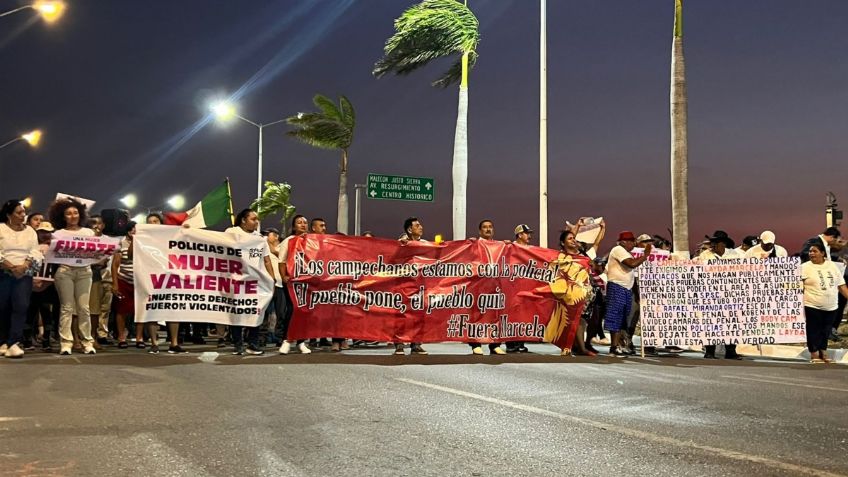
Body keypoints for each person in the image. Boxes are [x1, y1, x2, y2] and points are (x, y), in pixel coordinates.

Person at [225, 208, 276, 356]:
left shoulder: (260, 239)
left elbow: (266, 261)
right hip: (236, 281)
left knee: (255, 312)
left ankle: (252, 344)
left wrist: (271, 279)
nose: (256, 222)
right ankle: (238, 344)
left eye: (257, 219)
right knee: (237, 312)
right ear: (243, 220)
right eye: (253, 219)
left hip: (255, 283)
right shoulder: (232, 232)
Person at [49, 198, 97, 356]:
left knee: (84, 308)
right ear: (62, 217)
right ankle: (66, 343)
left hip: (84, 271)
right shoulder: (58, 234)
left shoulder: (88, 233)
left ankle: (87, 342)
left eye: (75, 212)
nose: (72, 216)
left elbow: (96, 253)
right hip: (65, 271)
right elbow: (53, 254)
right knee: (66, 308)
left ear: (81, 214)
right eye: (68, 213)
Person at [0, 199, 42, 358]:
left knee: (21, 305)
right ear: (8, 214)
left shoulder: (30, 231)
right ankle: (3, 341)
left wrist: (25, 265)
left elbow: (35, 251)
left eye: (24, 212)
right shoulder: (1, 228)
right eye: (19, 212)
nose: (23, 215)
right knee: (3, 307)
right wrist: (10, 266)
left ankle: (14, 342)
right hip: (3, 272)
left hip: (24, 273)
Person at [545, 229, 594, 357]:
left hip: (584, 294)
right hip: (567, 294)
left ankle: (577, 346)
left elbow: (593, 266)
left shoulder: (583, 256)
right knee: (570, 319)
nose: (573, 241)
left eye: (574, 238)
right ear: (562, 243)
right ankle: (575, 347)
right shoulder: (559, 257)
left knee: (581, 320)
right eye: (570, 239)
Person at [604, 231, 651, 357]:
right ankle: (613, 347)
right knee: (615, 316)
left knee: (623, 318)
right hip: (617, 287)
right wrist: (645, 255)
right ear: (624, 242)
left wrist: (636, 294)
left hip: (626, 288)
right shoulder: (618, 249)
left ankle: (619, 345)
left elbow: (632, 276)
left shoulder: (626, 253)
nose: (633, 243)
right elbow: (631, 264)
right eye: (631, 241)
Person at [698, 230, 743, 359]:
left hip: (730, 294)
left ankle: (731, 351)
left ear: (722, 244)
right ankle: (710, 351)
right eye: (712, 243)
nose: (712, 245)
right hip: (711, 294)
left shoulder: (734, 255)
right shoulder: (705, 255)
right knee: (710, 322)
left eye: (715, 243)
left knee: (731, 322)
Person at [801, 243, 848, 363]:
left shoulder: (832, 266)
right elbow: (797, 287)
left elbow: (841, 286)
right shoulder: (804, 267)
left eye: (815, 251)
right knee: (813, 330)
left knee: (826, 330)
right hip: (812, 304)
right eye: (810, 251)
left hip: (832, 306)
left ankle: (824, 351)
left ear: (822, 253)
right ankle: (814, 354)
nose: (811, 253)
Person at [468, 219, 506, 355]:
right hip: (478, 286)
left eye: (490, 227)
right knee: (477, 315)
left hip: (495, 286)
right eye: (485, 227)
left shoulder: (500, 246)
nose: (488, 229)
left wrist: (508, 246)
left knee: (495, 315)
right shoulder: (474, 244)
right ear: (480, 231)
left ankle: (494, 344)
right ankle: (475, 344)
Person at [393, 217, 429, 355]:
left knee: (418, 315)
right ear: (409, 229)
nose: (421, 227)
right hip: (403, 285)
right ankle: (399, 344)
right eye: (417, 225)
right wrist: (401, 243)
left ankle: (416, 344)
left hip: (420, 285)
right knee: (401, 314)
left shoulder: (425, 244)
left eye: (420, 224)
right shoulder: (401, 244)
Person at [278, 215, 311, 355]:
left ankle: (301, 342)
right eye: (299, 222)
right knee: (292, 309)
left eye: (305, 222)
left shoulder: (313, 241)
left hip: (307, 281)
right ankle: (286, 340)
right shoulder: (289, 241)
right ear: (294, 226)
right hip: (292, 281)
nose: (303, 225)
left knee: (304, 311)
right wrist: (284, 276)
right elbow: (282, 261)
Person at [112, 222, 142, 350]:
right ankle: (121, 337)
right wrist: (115, 283)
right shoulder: (121, 243)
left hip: (140, 281)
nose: (134, 231)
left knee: (140, 310)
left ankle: (139, 337)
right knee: (122, 310)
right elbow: (115, 265)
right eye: (132, 229)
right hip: (124, 279)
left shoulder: (144, 243)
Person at [506, 224, 534, 353]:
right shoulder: (510, 247)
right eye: (527, 233)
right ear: (519, 235)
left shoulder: (531, 249)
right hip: (512, 286)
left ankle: (520, 341)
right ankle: (511, 343)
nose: (529, 236)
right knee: (511, 315)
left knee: (524, 314)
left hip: (525, 286)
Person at [87, 215, 113, 346]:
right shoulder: (84, 238)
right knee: (81, 309)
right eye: (93, 223)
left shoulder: (109, 240)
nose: (96, 226)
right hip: (86, 275)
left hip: (103, 277)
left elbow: (111, 261)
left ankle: (96, 335)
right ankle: (79, 337)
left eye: (99, 223)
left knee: (99, 310)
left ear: (104, 225)